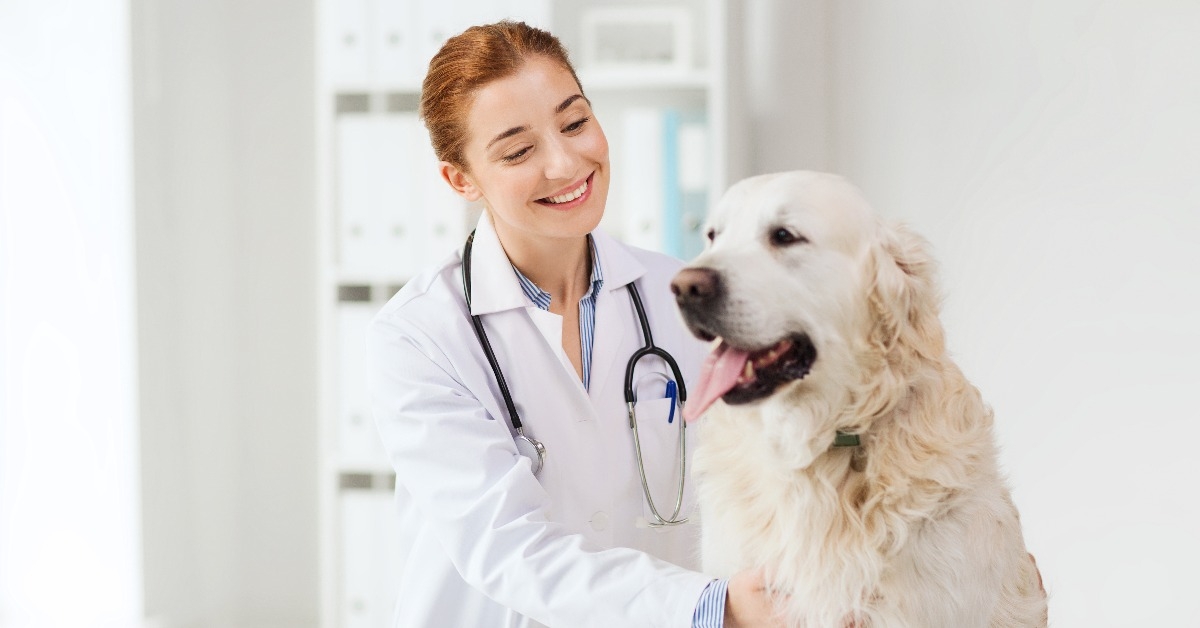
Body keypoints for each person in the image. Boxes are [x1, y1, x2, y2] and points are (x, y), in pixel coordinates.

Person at [366, 21, 780, 627]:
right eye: (517, 151)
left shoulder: (679, 300)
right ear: (461, 179)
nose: (564, 164)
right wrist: (711, 607)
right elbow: (506, 548)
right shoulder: (419, 336)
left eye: (575, 122)